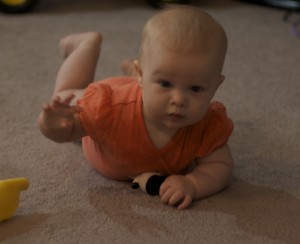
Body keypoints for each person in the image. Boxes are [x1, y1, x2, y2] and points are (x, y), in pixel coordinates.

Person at [38, 5, 234, 210]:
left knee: (158, 83)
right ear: (142, 75)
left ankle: (141, 75)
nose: (178, 99)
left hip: (143, 88)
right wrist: (51, 125)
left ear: (215, 86)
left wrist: (193, 184)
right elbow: (66, 131)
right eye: (166, 84)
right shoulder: (109, 110)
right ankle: (86, 44)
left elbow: (220, 166)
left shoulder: (207, 126)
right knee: (64, 96)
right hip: (119, 99)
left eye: (195, 88)